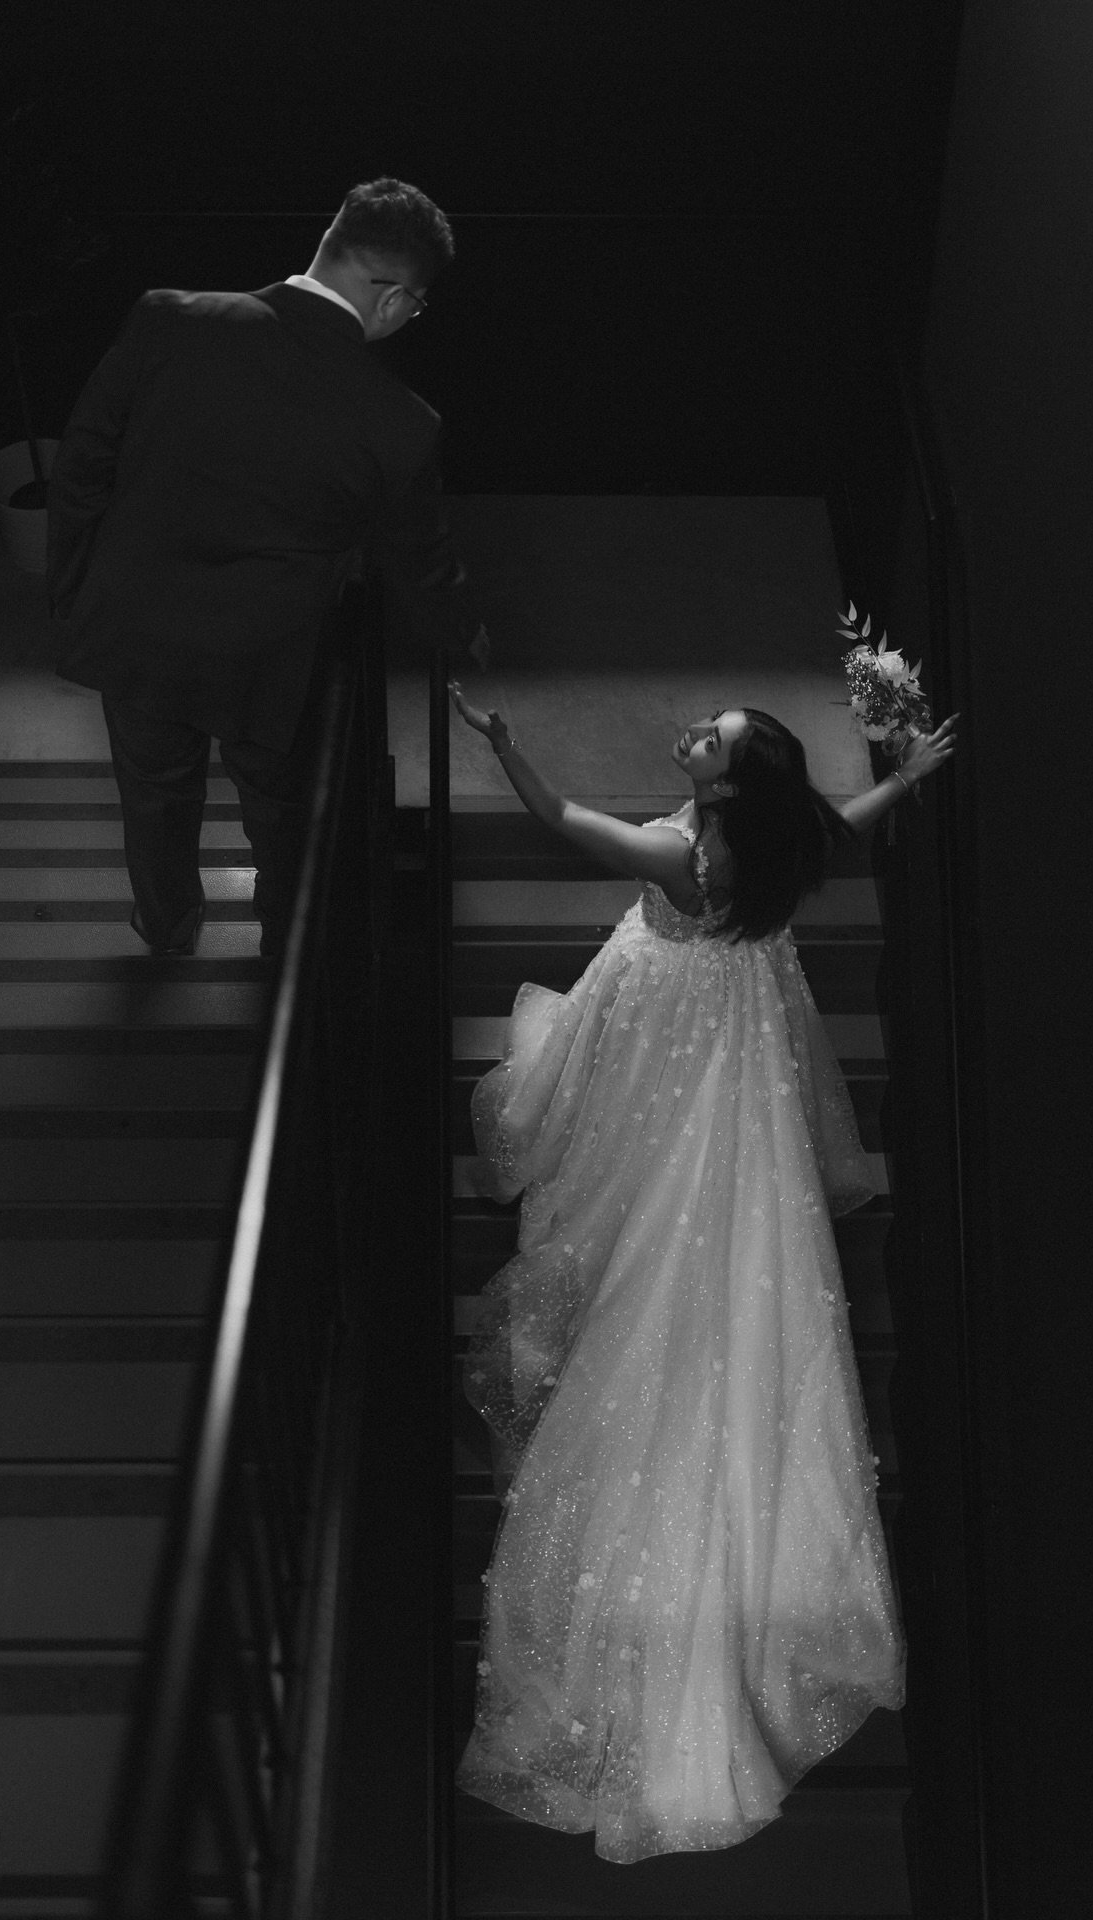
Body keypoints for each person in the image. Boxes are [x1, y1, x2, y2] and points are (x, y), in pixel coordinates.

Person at [447, 682, 957, 1863]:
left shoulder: (687, 858)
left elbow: (568, 822)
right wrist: (908, 776)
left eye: (707, 741)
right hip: (738, 1024)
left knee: (631, 1179)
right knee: (726, 1190)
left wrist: (508, 746)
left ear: (723, 785)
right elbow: (845, 821)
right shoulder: (771, 843)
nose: (688, 736)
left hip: (677, 1024)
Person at [46, 178, 486, 955]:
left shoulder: (168, 320)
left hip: (138, 627)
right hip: (268, 661)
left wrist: (75, 594)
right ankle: (285, 944)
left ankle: (169, 925)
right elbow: (422, 563)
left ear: (329, 245)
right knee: (281, 812)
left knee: (151, 795)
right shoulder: (399, 425)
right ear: (393, 301)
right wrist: (464, 633)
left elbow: (82, 467)